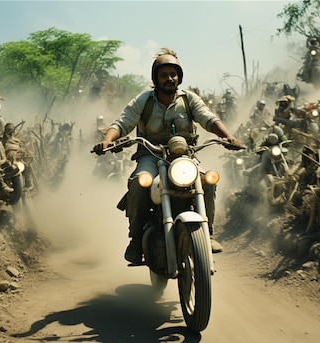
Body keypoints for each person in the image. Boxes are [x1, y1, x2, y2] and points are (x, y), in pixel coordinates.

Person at [93, 47, 243, 264]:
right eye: (164, 75)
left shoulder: (189, 99)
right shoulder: (144, 101)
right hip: (151, 156)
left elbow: (208, 118)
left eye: (173, 74)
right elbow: (122, 122)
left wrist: (229, 138)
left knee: (207, 180)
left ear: (179, 77)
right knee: (138, 183)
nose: (169, 79)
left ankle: (207, 233)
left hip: (185, 156)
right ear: (156, 78)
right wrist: (108, 140)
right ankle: (135, 240)